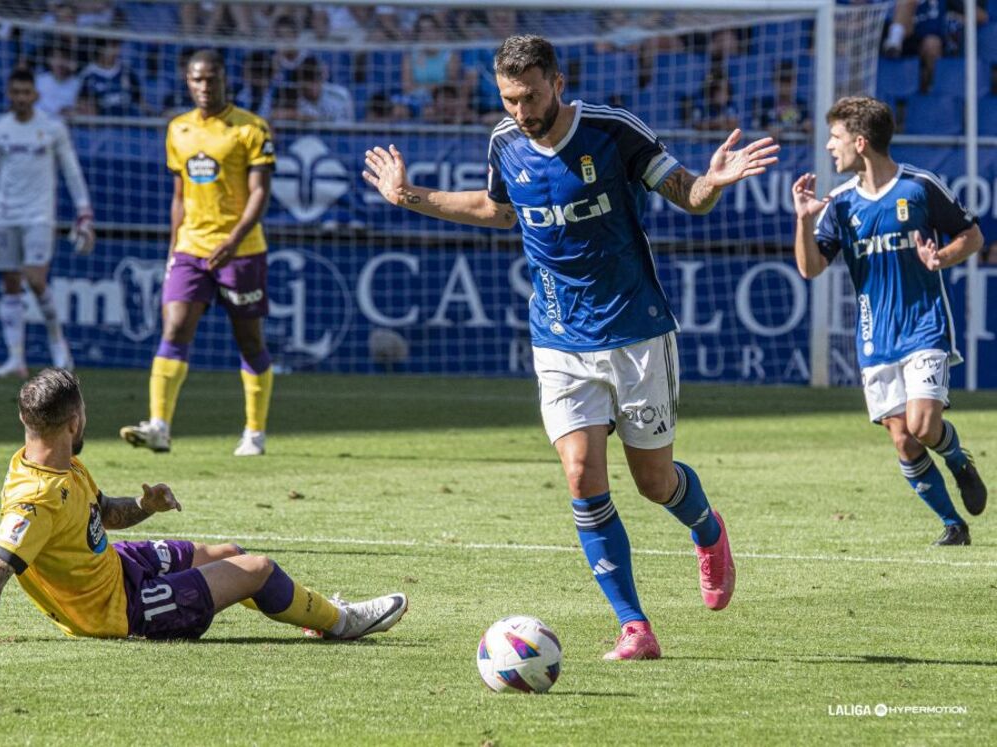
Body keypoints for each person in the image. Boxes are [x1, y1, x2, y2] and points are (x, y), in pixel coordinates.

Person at [363, 35, 779, 661]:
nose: (521, 110)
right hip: (558, 338)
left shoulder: (613, 131)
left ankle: (707, 528)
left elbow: (687, 194)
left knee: (653, 480)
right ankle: (634, 626)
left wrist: (713, 182)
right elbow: (498, 211)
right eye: (509, 98)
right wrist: (408, 196)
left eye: (530, 96)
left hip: (637, 332)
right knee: (583, 478)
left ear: (558, 81)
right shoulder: (505, 142)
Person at [0, 368, 408, 641]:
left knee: (230, 553)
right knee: (259, 569)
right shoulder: (35, 499)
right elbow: (1, 564)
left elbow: (101, 513)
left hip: (115, 568)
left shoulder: (53, 463)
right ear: (73, 423)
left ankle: (311, 615)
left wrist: (145, 505)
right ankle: (340, 623)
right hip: (118, 611)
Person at [792, 96, 987, 546]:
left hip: (924, 325)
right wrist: (803, 221)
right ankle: (953, 525)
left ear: (860, 143)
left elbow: (971, 235)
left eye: (835, 137)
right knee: (904, 441)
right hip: (874, 336)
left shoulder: (919, 186)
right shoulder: (839, 203)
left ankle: (958, 460)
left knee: (922, 425)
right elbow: (811, 268)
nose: (828, 147)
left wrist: (941, 257)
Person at [120, 49, 276, 457]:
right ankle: (159, 426)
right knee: (173, 329)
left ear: (224, 78)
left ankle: (254, 432)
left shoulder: (251, 128)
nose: (204, 86)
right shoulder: (178, 130)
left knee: (248, 340)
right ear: (187, 82)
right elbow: (180, 195)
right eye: (197, 79)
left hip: (241, 251)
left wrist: (234, 238)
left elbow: (260, 194)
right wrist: (174, 248)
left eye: (211, 78)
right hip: (191, 247)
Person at [0, 67, 94, 379]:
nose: (22, 98)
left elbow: (71, 170)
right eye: (17, 93)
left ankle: (59, 345)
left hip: (39, 216)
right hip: (5, 216)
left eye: (27, 93)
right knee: (10, 284)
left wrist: (84, 210)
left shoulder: (52, 128)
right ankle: (16, 359)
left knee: (36, 281)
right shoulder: (2, 129)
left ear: (35, 95)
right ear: (9, 94)